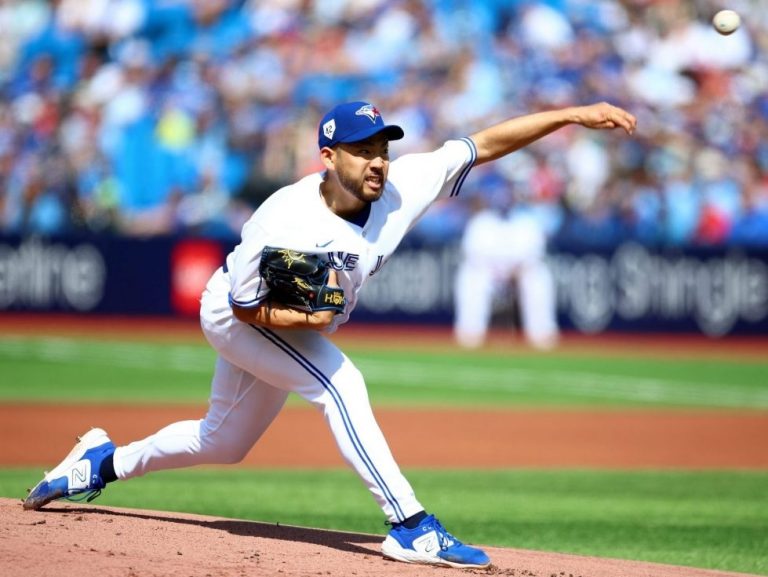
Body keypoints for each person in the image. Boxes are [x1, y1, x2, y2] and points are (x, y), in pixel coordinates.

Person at [23, 100, 636, 569]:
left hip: (270, 320)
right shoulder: (284, 220)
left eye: (383, 146)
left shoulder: (401, 187)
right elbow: (243, 309)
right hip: (239, 314)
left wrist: (573, 116)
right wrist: (310, 320)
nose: (378, 160)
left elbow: (480, 144)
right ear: (328, 157)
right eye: (363, 149)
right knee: (341, 383)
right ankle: (411, 525)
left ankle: (101, 462)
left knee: (223, 440)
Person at [453, 188, 560, 350]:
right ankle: (470, 332)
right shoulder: (482, 221)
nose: (504, 205)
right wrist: (498, 273)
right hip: (488, 275)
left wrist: (514, 273)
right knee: (471, 277)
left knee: (538, 277)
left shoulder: (526, 222)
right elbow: (473, 257)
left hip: (519, 275)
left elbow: (533, 258)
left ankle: (542, 333)